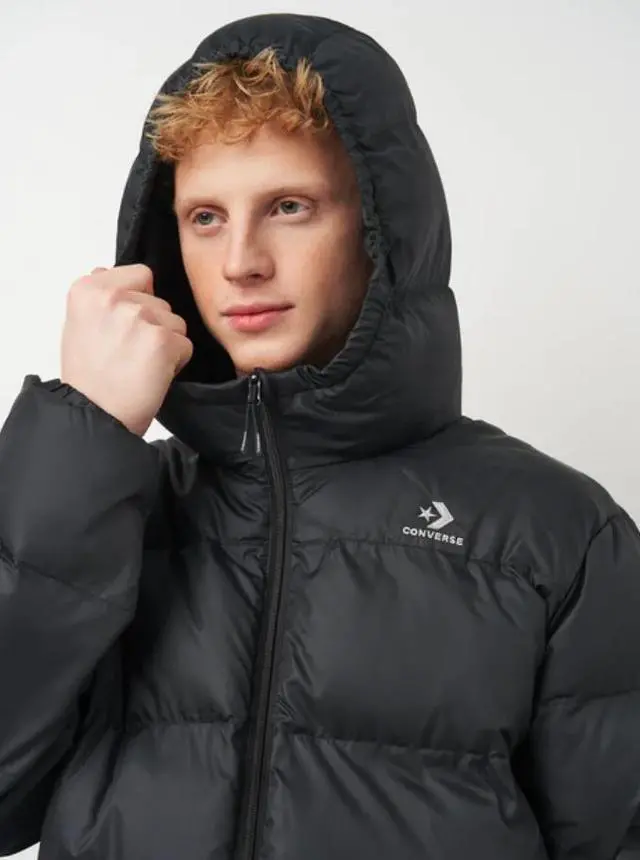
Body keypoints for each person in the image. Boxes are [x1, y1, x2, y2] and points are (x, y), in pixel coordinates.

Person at [0, 11, 638, 860]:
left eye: (290, 207)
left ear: (382, 232)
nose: (241, 262)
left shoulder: (556, 533)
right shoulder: (101, 506)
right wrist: (82, 435)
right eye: (204, 218)